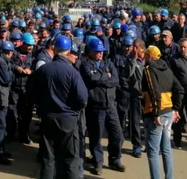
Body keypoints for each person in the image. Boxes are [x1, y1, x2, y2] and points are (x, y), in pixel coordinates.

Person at [30, 34, 88, 179]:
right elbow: (82, 98)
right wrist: (72, 110)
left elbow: (31, 92)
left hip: (48, 118)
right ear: (68, 52)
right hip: (68, 120)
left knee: (48, 159)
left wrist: (43, 107)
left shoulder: (43, 70)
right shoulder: (72, 73)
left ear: (54, 49)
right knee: (69, 159)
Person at [80, 36, 125, 175]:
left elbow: (116, 81)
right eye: (97, 51)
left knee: (117, 135)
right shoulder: (85, 64)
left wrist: (103, 79)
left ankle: (115, 159)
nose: (100, 54)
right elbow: (91, 79)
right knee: (96, 136)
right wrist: (107, 77)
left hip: (111, 105)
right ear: (91, 51)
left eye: (101, 51)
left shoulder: (109, 64)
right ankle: (98, 162)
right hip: (96, 106)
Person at [142, 45, 183, 179]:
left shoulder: (149, 69)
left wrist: (155, 114)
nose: (144, 57)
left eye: (146, 55)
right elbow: (179, 89)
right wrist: (175, 109)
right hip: (168, 112)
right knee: (166, 150)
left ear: (150, 57)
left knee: (152, 152)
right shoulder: (168, 70)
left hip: (155, 114)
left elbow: (154, 93)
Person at [0, 40, 15, 165]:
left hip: (2, 96)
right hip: (0, 97)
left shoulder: (3, 61)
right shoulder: (1, 62)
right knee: (1, 125)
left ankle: (1, 149)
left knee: (2, 125)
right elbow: (7, 79)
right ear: (9, 52)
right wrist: (11, 75)